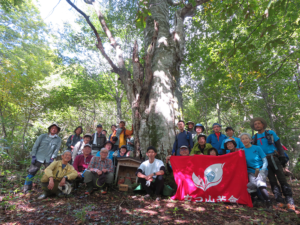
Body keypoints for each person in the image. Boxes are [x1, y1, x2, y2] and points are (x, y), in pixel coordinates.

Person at [251, 117, 295, 212]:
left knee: (282, 180)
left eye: (259, 123)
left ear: (263, 124)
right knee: (272, 181)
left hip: (274, 158)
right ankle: (279, 201)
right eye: (255, 124)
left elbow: (278, 144)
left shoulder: (270, 133)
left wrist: (282, 156)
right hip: (264, 161)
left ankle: (290, 201)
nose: (257, 125)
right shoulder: (254, 138)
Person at [23, 123, 62, 195]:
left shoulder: (58, 139)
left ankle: (50, 190)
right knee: (31, 173)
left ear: (57, 130)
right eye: (52, 128)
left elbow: (56, 149)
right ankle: (27, 190)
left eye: (56, 128)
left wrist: (52, 158)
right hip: (38, 157)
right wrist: (33, 156)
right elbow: (35, 146)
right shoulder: (42, 136)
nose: (54, 129)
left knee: (51, 174)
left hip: (48, 159)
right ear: (50, 129)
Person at [240, 133, 272, 211]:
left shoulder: (257, 148)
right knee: (252, 184)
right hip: (250, 171)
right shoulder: (241, 151)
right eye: (243, 139)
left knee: (260, 184)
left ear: (250, 139)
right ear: (241, 141)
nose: (245, 140)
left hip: (261, 169)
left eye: (246, 138)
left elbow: (264, 160)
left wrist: (263, 170)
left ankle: (268, 203)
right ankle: (254, 201)